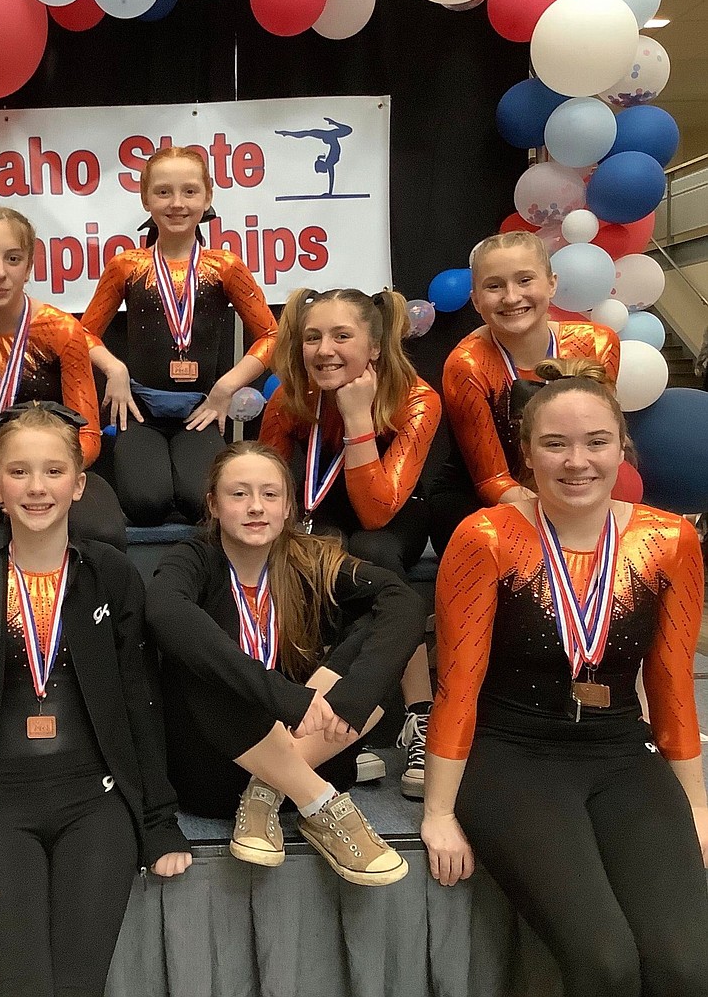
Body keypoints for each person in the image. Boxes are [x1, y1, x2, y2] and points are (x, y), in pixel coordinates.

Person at [423, 358, 708, 997]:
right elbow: (458, 682)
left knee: (687, 968)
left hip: (617, 754)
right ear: (526, 455)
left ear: (622, 450)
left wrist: (695, 801)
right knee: (604, 964)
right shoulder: (487, 535)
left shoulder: (669, 540)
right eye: (554, 444)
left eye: (595, 442)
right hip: (514, 754)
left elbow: (670, 685)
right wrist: (439, 809)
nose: (576, 461)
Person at [0, 402, 192, 997]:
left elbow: (140, 700)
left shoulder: (110, 573)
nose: (36, 488)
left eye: (53, 471)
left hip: (95, 801)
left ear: (79, 484)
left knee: (78, 986)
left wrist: (159, 820)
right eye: (18, 472)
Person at [146, 442, 425, 884]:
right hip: (216, 772)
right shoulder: (194, 557)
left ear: (288, 506)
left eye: (270, 495)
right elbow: (163, 610)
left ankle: (270, 790)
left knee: (379, 626)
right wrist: (282, 696)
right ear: (214, 505)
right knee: (195, 654)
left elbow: (403, 603)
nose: (256, 507)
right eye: (239, 494)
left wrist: (354, 698)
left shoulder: (310, 556)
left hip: (314, 747)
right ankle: (323, 806)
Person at [259, 287, 441, 798]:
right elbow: (270, 478)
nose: (324, 350)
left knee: (375, 558)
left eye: (342, 336)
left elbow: (378, 508)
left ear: (376, 346)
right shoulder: (292, 395)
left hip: (393, 509)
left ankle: (415, 715)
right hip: (322, 508)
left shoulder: (417, 398)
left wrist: (359, 418)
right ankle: (334, 718)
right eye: (312, 337)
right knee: (300, 555)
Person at [0, 206, 126, 597]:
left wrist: (54, 476)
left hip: (56, 463)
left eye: (12, 258)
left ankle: (96, 638)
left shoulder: (61, 330)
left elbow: (88, 436)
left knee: (103, 532)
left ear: (29, 266)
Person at [79, 146, 277, 525]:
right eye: (163, 192)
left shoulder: (225, 267)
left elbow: (271, 334)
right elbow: (84, 332)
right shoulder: (127, 265)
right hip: (140, 412)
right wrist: (114, 369)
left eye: (189, 192)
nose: (177, 204)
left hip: (199, 412)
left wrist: (226, 388)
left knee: (201, 504)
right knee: (145, 505)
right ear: (145, 198)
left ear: (207, 197)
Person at [429, 230, 621, 556]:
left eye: (525, 280)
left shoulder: (598, 344)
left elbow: (601, 441)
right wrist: (558, 519)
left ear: (552, 283)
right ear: (475, 299)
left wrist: (583, 511)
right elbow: (492, 479)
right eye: (494, 286)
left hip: (570, 483)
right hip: (483, 498)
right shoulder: (467, 364)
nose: (511, 297)